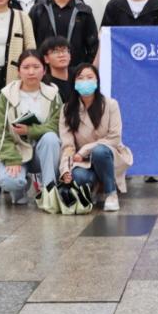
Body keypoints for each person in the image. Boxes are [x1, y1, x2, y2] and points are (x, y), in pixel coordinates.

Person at [0, 50, 63, 205]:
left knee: (51, 138)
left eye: (36, 67)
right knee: (10, 182)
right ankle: (21, 185)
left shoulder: (53, 95)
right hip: (16, 149)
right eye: (26, 67)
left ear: (44, 70)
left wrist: (30, 131)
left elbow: (57, 125)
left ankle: (49, 189)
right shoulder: (7, 95)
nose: (31, 72)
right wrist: (12, 159)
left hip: (42, 152)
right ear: (18, 71)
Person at [59, 64, 133, 212]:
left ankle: (111, 193)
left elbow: (115, 138)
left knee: (99, 151)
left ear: (97, 81)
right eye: (80, 78)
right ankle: (93, 188)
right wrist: (65, 170)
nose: (85, 81)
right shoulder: (67, 109)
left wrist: (85, 150)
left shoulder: (111, 105)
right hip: (82, 161)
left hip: (108, 154)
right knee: (78, 177)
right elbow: (67, 145)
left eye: (89, 77)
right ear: (74, 83)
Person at [29, 0, 99, 68]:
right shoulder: (39, 9)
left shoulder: (84, 11)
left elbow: (93, 46)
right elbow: (30, 42)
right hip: (44, 71)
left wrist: (86, 69)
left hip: (76, 71)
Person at [40, 36, 73, 102]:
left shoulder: (78, 76)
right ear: (46, 59)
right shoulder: (45, 84)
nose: (61, 55)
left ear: (70, 55)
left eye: (64, 50)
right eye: (55, 52)